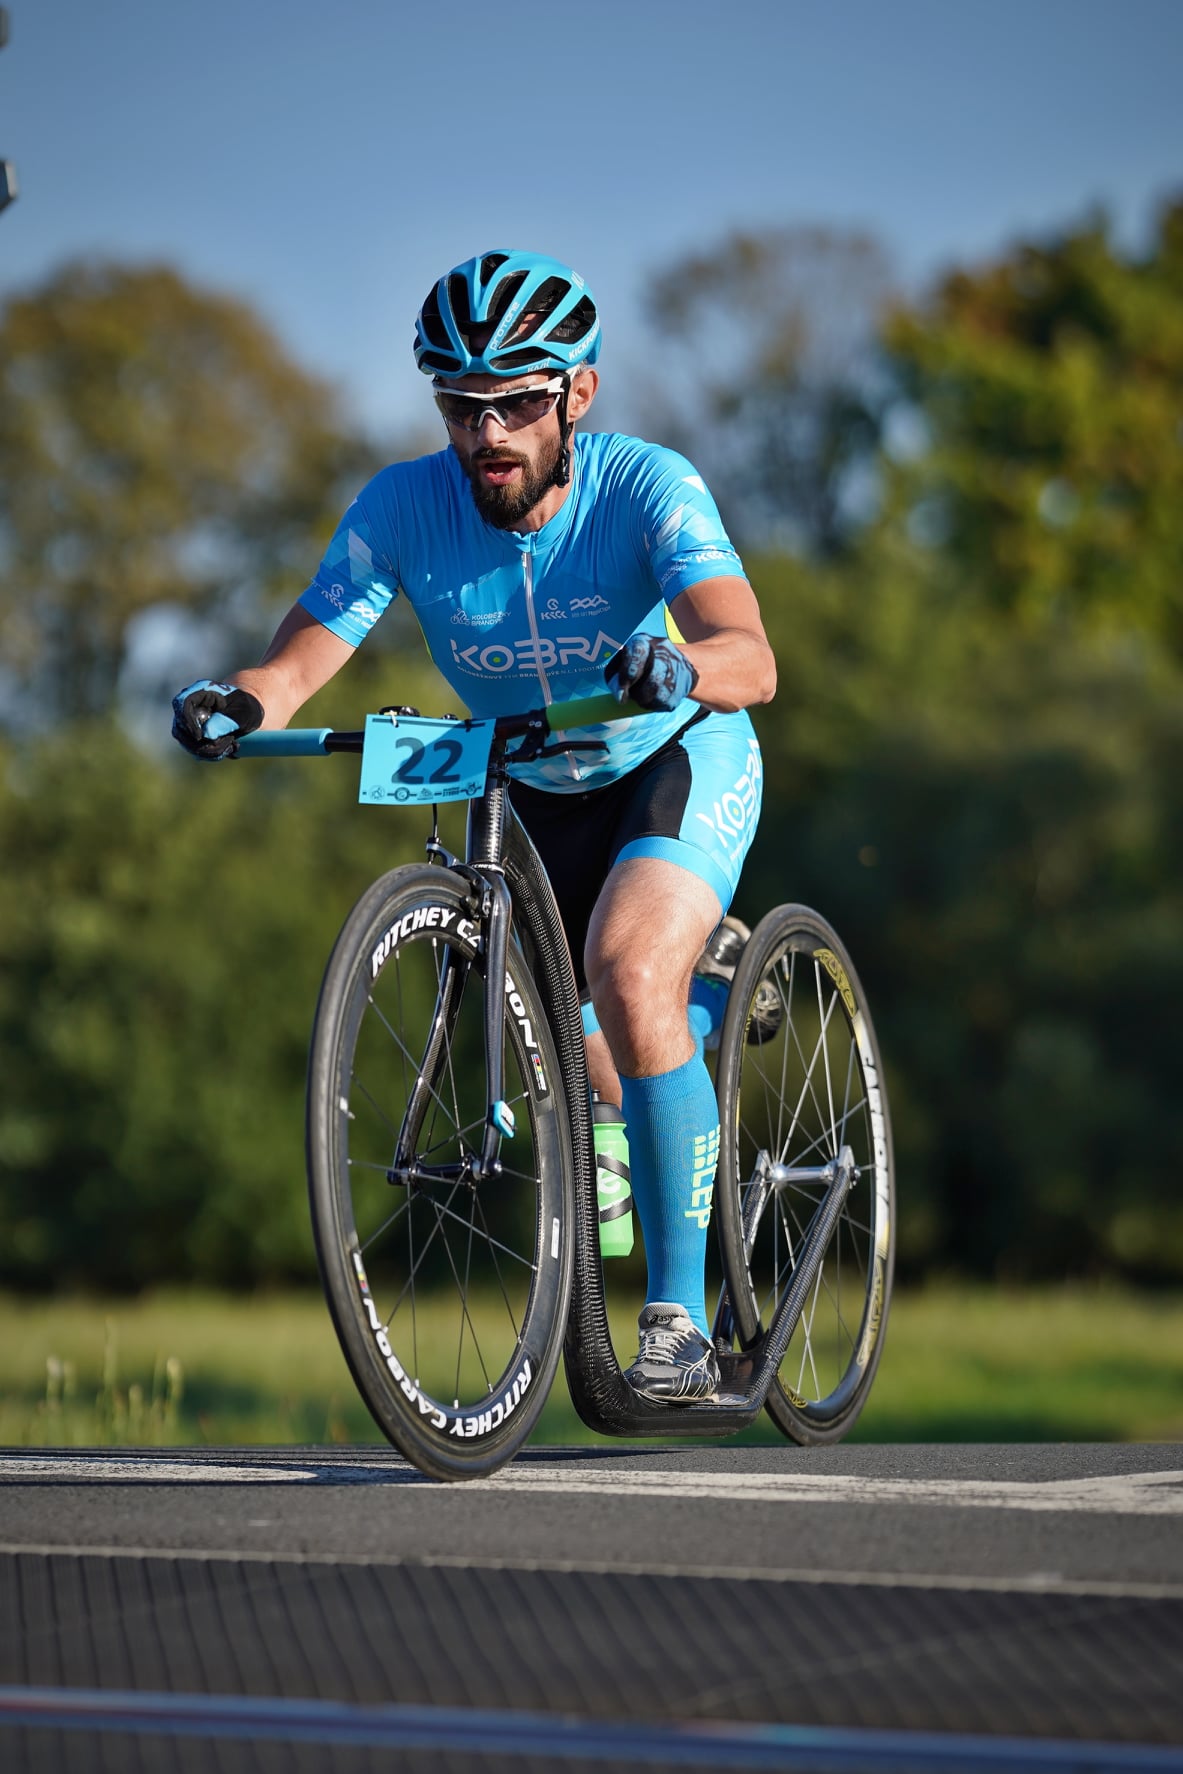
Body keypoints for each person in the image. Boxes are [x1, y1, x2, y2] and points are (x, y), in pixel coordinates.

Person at [172, 249, 776, 1403]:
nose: (486, 432)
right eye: (459, 405)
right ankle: (697, 998)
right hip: (529, 782)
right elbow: (299, 658)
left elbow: (751, 657)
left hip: (671, 756)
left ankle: (679, 1325)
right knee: (575, 1055)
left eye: (516, 403)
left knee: (624, 971)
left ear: (577, 393)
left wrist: (683, 665)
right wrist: (240, 703)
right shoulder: (403, 506)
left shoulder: (648, 485)